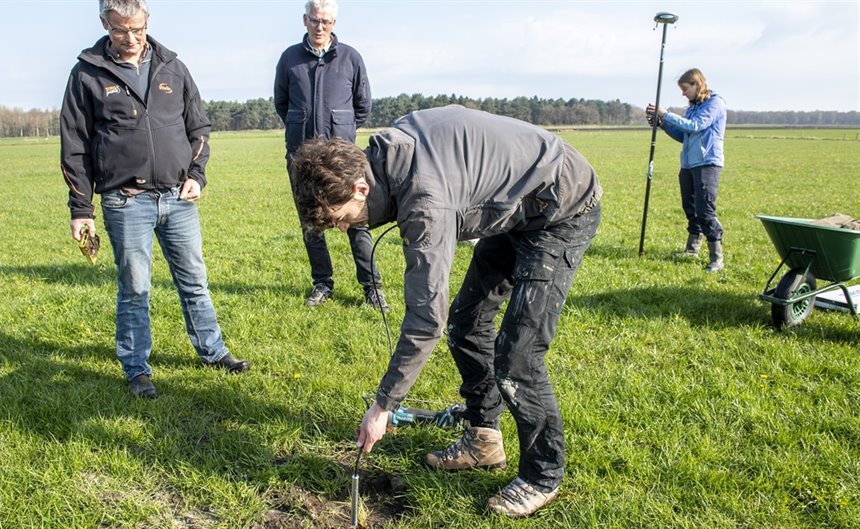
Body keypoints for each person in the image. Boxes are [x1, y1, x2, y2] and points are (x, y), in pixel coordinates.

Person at [290, 106, 603, 518]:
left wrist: (383, 406)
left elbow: (425, 321)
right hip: (514, 207)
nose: (346, 229)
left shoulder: (425, 202)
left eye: (341, 219)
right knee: (466, 324)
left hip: (561, 205)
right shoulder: (388, 154)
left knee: (518, 358)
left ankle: (543, 475)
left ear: (360, 189)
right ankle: (483, 438)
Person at [60, 0, 249, 399]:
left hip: (178, 198)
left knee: (195, 280)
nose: (130, 39)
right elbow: (74, 145)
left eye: (138, 30)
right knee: (135, 287)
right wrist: (81, 209)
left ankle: (213, 352)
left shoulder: (173, 67)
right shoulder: (86, 74)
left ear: (148, 23)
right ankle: (136, 369)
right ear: (103, 24)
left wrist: (196, 175)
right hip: (125, 201)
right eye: (119, 30)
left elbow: (198, 126)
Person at [274, 0, 390, 312]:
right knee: (311, 222)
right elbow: (282, 104)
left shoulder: (351, 58)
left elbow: (362, 106)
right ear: (305, 20)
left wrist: (343, 136)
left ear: (334, 23)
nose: (319, 27)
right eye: (314, 20)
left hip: (343, 163)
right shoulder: (289, 59)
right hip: (303, 161)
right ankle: (322, 283)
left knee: (358, 222)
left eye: (325, 21)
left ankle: (372, 288)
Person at [646, 68, 727, 272]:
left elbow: (695, 126)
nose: (683, 93)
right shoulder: (692, 107)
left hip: (707, 163)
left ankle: (716, 258)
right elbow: (685, 136)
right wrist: (662, 124)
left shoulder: (715, 103)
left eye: (685, 89)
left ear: (696, 84)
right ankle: (692, 249)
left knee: (705, 209)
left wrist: (668, 114)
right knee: (689, 207)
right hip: (688, 165)